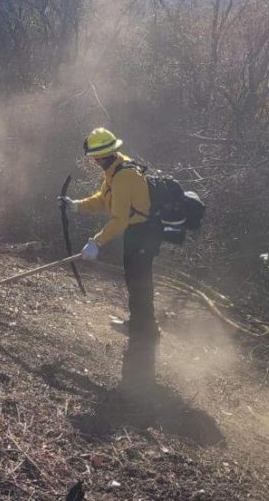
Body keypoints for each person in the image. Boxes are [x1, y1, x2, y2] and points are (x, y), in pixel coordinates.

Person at [58, 128, 160, 399]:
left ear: (104, 154)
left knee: (139, 283)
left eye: (95, 157)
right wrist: (78, 205)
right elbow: (105, 201)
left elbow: (120, 219)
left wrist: (97, 242)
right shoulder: (114, 169)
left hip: (143, 233)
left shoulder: (125, 174)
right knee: (134, 281)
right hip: (136, 232)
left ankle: (145, 333)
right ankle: (139, 325)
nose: (93, 161)